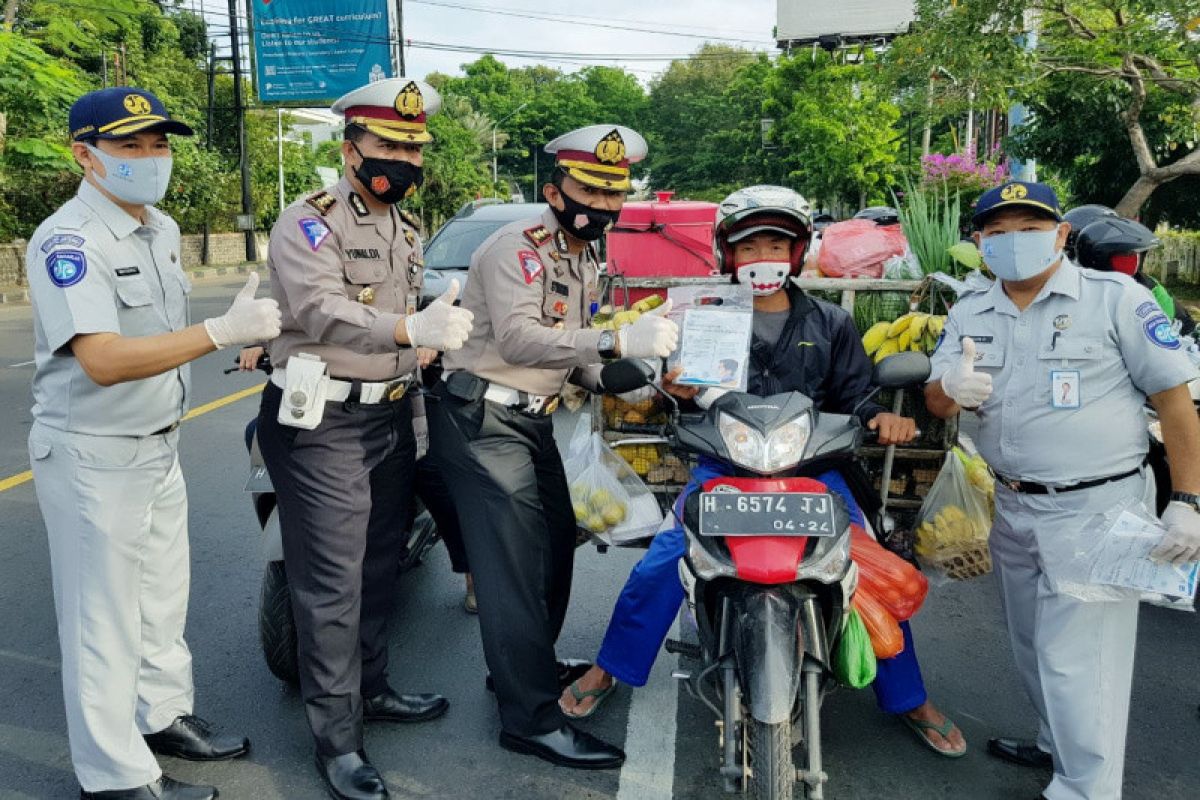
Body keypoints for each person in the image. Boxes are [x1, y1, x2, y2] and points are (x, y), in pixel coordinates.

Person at [560, 184, 967, 755]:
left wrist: (881, 420)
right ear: (729, 254)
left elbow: (856, 396)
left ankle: (909, 698)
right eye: (750, 248)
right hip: (723, 470)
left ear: (798, 252)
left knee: (869, 571)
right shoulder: (702, 319)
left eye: (776, 243)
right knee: (661, 564)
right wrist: (673, 388)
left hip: (815, 471)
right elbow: (678, 393)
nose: (762, 258)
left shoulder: (831, 322)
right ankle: (611, 669)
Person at [26, 87, 280, 800]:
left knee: (161, 599)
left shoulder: (159, 229)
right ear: (85, 155)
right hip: (92, 453)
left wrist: (221, 334)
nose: (150, 157)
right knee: (101, 620)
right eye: (129, 145)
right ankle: (113, 778)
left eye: (159, 143)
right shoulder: (68, 241)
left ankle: (160, 716)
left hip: (157, 444)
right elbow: (103, 360)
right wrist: (220, 333)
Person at [924, 181, 1200, 800]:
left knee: (1083, 662)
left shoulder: (1115, 300)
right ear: (978, 242)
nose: (1012, 243)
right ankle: (1057, 746)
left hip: (1098, 506)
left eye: (1028, 228)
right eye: (997, 233)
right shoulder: (972, 308)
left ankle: (1085, 790)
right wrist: (952, 389)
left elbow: (1177, 405)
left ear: (1060, 234)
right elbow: (935, 399)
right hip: (1013, 504)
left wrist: (1188, 502)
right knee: (1031, 645)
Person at [429, 124, 679, 770]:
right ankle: (531, 718)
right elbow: (518, 339)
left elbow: (572, 345)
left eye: (613, 193)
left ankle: (524, 664)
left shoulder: (588, 255)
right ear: (554, 188)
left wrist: (617, 376)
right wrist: (614, 345)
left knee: (556, 544)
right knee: (513, 565)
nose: (602, 203)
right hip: (483, 415)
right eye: (589, 188)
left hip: (532, 416)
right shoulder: (520, 248)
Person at [255, 77, 473, 800]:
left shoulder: (406, 232)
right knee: (331, 586)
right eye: (389, 145)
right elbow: (317, 309)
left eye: (414, 147)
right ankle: (337, 743)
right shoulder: (310, 221)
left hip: (387, 415)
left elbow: (409, 333)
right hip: (321, 423)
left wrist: (423, 353)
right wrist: (408, 328)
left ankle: (372, 688)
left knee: (381, 566)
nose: (405, 158)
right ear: (350, 150)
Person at [1072, 213, 1196, 336]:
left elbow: (1180, 321)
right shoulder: (1075, 288)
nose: (1135, 258)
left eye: (1135, 253)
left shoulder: (1146, 284)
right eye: (1127, 255)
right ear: (1100, 255)